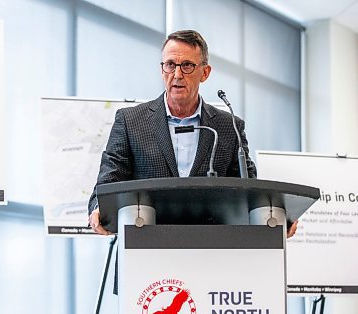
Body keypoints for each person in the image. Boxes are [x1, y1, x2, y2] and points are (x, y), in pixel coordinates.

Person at [88, 29, 298, 237]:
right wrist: (100, 208)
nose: (177, 74)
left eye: (187, 65)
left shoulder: (229, 127)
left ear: (205, 73)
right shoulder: (130, 121)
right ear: (162, 70)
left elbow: (248, 190)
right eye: (170, 65)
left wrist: (277, 215)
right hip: (144, 246)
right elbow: (109, 180)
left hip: (209, 251)